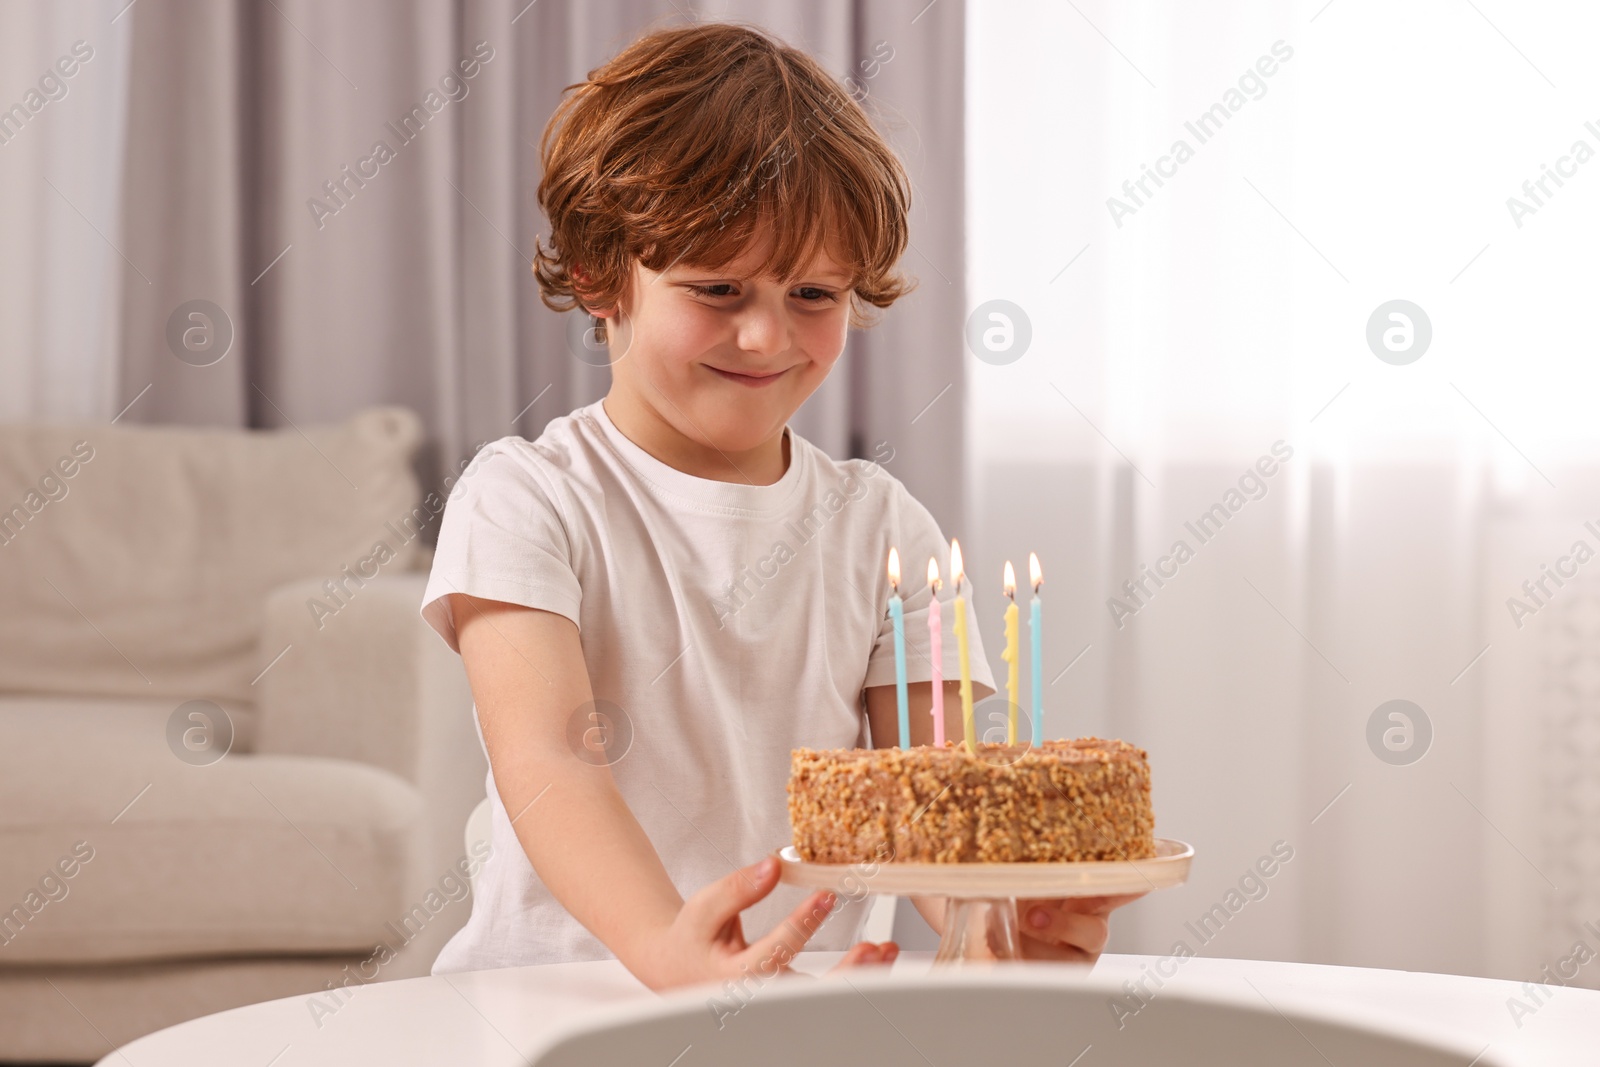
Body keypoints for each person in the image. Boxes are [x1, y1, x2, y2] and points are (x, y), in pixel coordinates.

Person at [422, 20, 1140, 990]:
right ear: (599, 276)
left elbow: (935, 800)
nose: (764, 334)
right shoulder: (527, 499)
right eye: (716, 287)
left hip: (790, 1017)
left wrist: (992, 927)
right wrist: (665, 944)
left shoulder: (886, 527)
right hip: (551, 1002)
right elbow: (552, 758)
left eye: (813, 293)